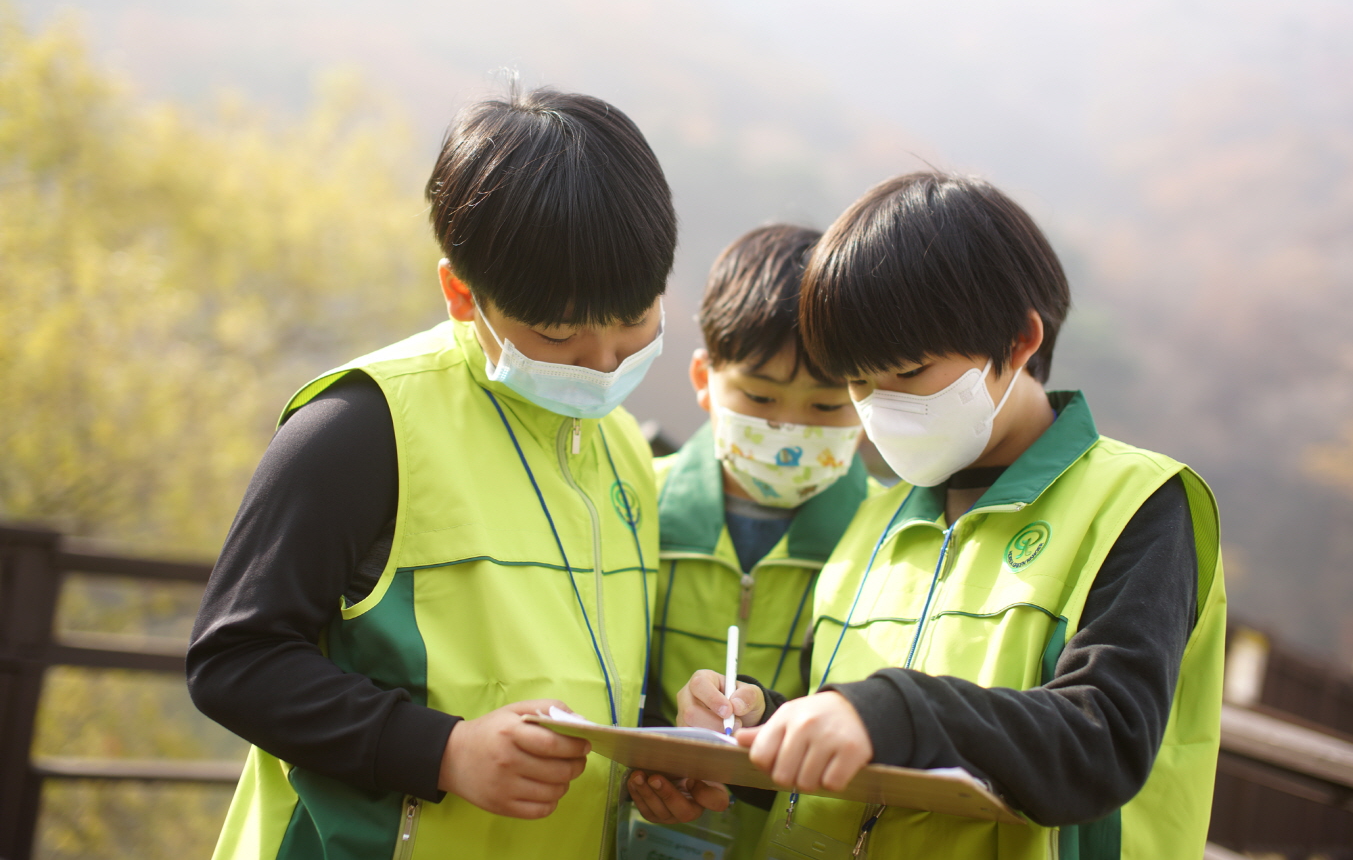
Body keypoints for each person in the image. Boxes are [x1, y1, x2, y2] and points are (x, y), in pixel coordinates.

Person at [187, 86, 676, 859]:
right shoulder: (358, 427)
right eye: (556, 332)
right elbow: (233, 661)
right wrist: (440, 750)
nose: (604, 361)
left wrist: (666, 749)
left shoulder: (627, 454)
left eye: (634, 320)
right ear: (460, 292)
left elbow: (604, 680)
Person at [678, 172, 1226, 860]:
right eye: (857, 382)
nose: (879, 408)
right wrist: (759, 727)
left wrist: (891, 710)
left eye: (906, 374)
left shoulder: (1137, 505)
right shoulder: (873, 519)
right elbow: (857, 763)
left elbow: (1103, 739)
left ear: (1019, 341)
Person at [620, 225, 875, 858]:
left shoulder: (890, 535)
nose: (788, 429)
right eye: (759, 397)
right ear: (705, 378)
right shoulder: (629, 502)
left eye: (825, 407)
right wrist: (650, 758)